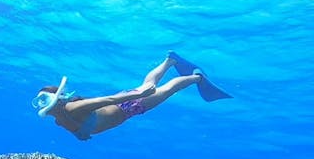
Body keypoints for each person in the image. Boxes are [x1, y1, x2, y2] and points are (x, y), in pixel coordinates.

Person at [33, 52, 232, 140]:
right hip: (127, 109)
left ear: (58, 100)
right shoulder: (60, 121)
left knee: (165, 90)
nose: (42, 105)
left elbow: (107, 100)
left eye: (45, 99)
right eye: (40, 102)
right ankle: (170, 61)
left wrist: (138, 95)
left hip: (127, 106)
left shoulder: (72, 108)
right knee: (150, 84)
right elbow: (78, 129)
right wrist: (81, 135)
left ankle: (196, 78)